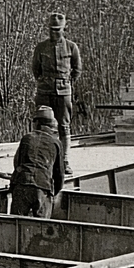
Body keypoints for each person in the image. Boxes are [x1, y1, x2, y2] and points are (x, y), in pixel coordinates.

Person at [32, 12, 83, 175]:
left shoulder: (71, 47)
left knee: (64, 126)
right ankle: (39, 159)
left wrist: (66, 82)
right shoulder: (41, 47)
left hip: (63, 91)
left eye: (58, 30)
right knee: (41, 124)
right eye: (52, 29)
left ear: (64, 29)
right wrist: (44, 82)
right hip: (44, 91)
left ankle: (64, 161)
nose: (54, 33)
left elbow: (77, 69)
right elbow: (36, 69)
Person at [9, 105, 65, 218]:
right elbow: (59, 174)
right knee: (42, 228)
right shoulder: (56, 143)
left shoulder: (26, 138)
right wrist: (53, 192)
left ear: (37, 123)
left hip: (21, 184)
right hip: (43, 187)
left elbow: (17, 164)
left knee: (15, 224)